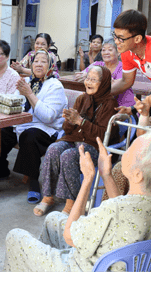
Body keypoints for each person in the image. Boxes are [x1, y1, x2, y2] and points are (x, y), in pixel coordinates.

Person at [4, 128, 151, 272]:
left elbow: (69, 236)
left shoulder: (112, 210)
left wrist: (88, 179)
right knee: (52, 220)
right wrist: (106, 174)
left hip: (85, 267)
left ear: (137, 174)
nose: (125, 151)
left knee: (15, 237)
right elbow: (128, 208)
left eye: (130, 149)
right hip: (126, 265)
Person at [36, 65, 119, 217]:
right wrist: (68, 120)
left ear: (104, 82)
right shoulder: (82, 99)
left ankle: (71, 203)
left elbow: (102, 134)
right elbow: (67, 130)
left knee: (69, 156)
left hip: (95, 146)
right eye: (87, 78)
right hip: (75, 140)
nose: (88, 82)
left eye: (94, 80)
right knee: (54, 149)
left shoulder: (110, 104)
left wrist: (80, 121)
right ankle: (48, 197)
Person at [0, 49, 67, 203]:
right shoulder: (27, 82)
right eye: (36, 61)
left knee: (30, 136)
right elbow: (16, 107)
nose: (39, 64)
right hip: (25, 124)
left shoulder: (55, 86)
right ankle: (0, 168)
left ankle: (34, 182)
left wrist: (29, 94)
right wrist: (21, 96)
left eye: (44, 61)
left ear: (51, 66)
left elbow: (48, 117)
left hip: (46, 129)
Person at [75, 38, 135, 108]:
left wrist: (91, 77)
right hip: (102, 107)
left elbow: (114, 86)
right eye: (103, 50)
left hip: (123, 108)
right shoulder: (97, 64)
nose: (106, 53)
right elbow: (79, 75)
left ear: (118, 52)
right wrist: (88, 76)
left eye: (110, 50)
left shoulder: (123, 67)